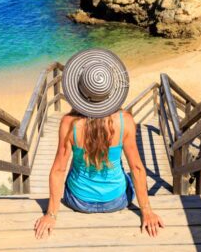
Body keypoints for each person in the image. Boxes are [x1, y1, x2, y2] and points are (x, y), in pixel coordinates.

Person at [34, 49, 164, 239]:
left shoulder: (69, 124)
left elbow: (58, 170)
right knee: (127, 174)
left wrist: (50, 215)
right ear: (110, 92)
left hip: (78, 201)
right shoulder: (125, 121)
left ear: (78, 91)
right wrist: (147, 212)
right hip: (116, 201)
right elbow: (137, 168)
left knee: (72, 165)